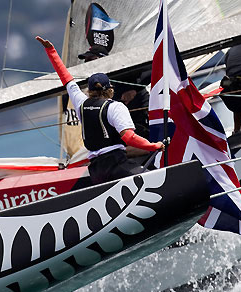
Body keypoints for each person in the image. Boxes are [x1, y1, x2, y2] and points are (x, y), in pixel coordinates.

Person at [36, 36, 164, 185]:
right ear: (110, 89)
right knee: (156, 179)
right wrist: (155, 146)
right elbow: (129, 138)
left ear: (89, 90)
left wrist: (50, 50)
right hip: (117, 164)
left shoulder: (80, 102)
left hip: (96, 171)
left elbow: (66, 79)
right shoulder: (115, 107)